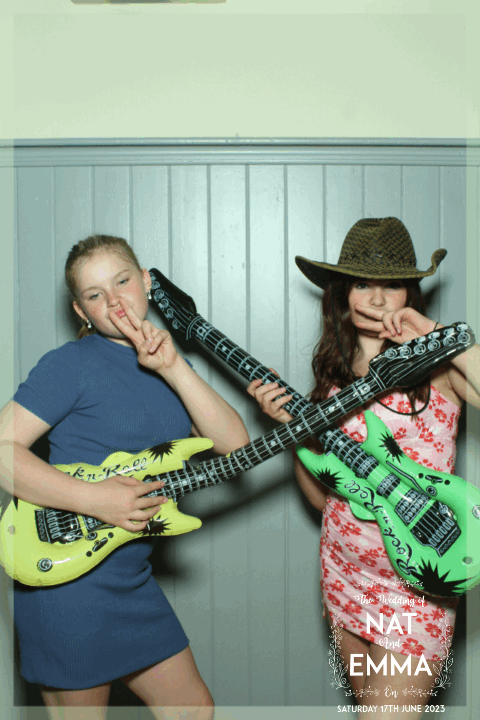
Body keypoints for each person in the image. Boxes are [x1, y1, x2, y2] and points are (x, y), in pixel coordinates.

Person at [0, 234, 249, 720]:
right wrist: (96, 500)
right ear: (81, 311)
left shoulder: (169, 364)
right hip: (66, 579)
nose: (115, 301)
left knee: (194, 710)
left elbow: (235, 446)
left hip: (130, 577)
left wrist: (173, 367)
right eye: (96, 295)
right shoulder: (69, 365)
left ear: (147, 282)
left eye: (123, 281)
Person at [247, 217, 480, 719]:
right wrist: (295, 433)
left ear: (410, 293)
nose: (376, 299)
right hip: (344, 575)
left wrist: (434, 335)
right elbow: (325, 499)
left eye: (391, 285)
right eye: (361, 284)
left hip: (420, 584)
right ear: (342, 296)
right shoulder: (330, 380)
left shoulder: (440, 368)